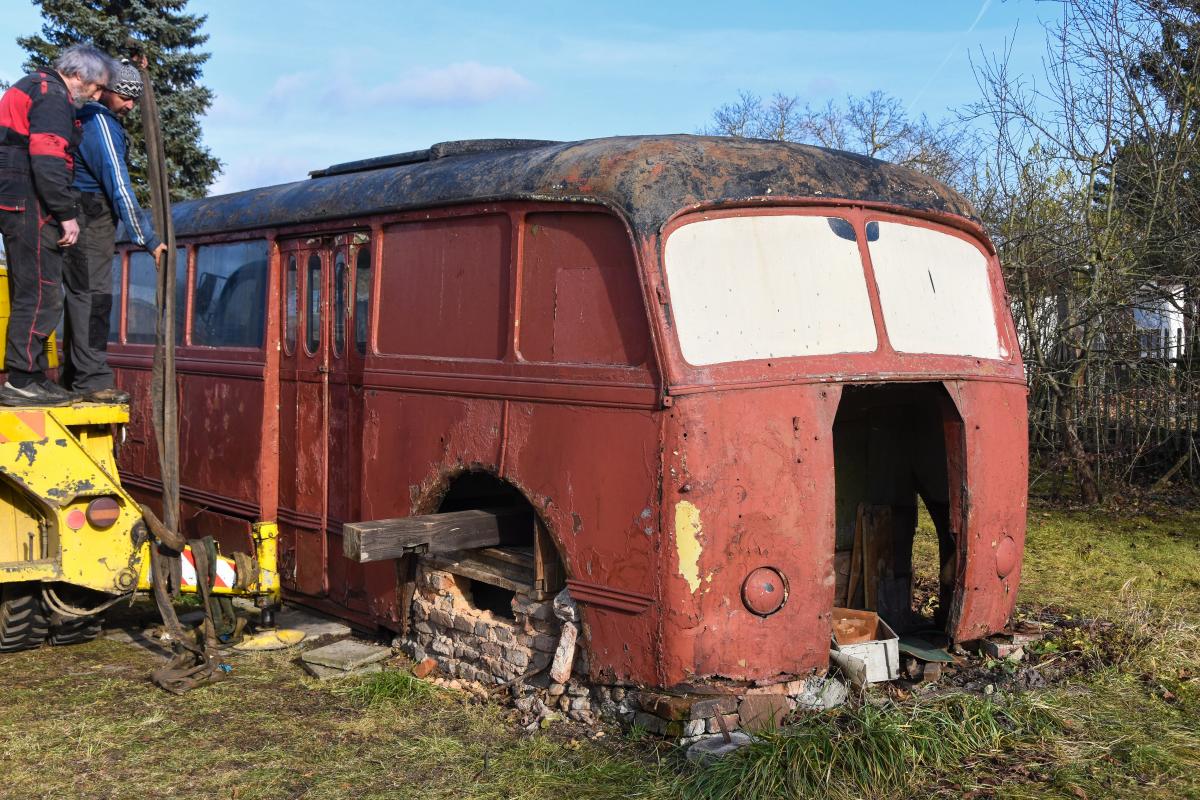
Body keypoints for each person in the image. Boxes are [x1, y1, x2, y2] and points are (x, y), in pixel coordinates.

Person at [0, 44, 112, 406]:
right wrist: (66, 214)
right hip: (30, 202)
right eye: (96, 87)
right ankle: (21, 379)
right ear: (78, 77)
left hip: (15, 198)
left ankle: (29, 374)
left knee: (28, 291)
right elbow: (48, 160)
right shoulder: (52, 98)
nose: (97, 95)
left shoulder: (34, 85)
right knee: (43, 293)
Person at [64, 59, 165, 404]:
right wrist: (147, 237)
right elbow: (119, 182)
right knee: (94, 298)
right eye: (125, 97)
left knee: (81, 296)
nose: (130, 106)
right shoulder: (101, 125)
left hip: (82, 213)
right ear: (106, 90)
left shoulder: (85, 117)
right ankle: (91, 380)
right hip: (91, 217)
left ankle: (76, 375)